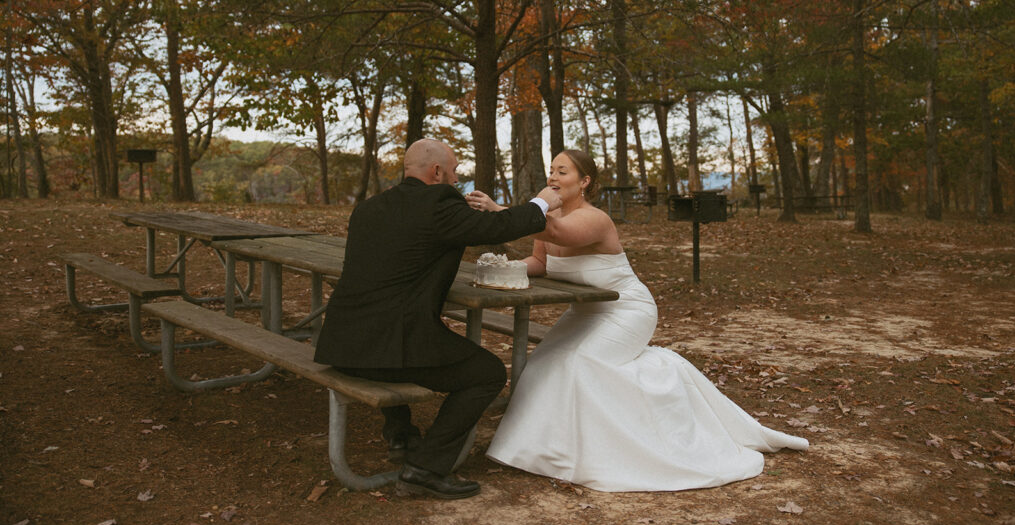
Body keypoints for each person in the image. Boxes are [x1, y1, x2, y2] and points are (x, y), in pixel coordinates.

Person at [466, 149, 808, 492]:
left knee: (583, 363)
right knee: (542, 364)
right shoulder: (545, 220)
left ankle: (631, 432)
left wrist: (501, 211)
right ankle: (544, 451)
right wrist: (499, 268)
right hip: (586, 311)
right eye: (551, 171)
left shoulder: (594, 218)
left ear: (584, 182)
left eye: (563, 172)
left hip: (627, 310)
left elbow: (557, 232)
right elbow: (540, 262)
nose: (553, 178)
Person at [313, 138, 562, 499]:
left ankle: (401, 436)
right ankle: (425, 469)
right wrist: (543, 203)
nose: (457, 177)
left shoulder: (369, 208)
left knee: (407, 346)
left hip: (342, 343)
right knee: (487, 373)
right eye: (456, 170)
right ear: (437, 172)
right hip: (385, 348)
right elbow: (495, 229)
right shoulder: (439, 202)